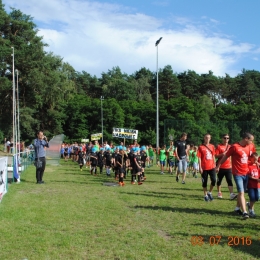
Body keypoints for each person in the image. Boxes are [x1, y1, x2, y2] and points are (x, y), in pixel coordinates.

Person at [216, 132, 255, 219]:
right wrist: (218, 165)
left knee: (242, 192)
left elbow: (253, 157)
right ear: (246, 139)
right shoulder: (234, 147)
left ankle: (237, 208)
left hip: (247, 173)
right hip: (238, 173)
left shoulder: (251, 146)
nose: (252, 142)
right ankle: (245, 212)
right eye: (251, 140)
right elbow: (225, 156)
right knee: (241, 192)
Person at [215, 134, 237, 200]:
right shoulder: (219, 146)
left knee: (229, 180)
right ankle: (219, 192)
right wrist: (222, 154)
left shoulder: (231, 147)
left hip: (229, 167)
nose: (226, 139)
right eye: (224, 138)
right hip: (221, 166)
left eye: (227, 138)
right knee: (219, 180)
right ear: (222, 138)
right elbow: (216, 156)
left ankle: (231, 194)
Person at [197, 134, 216, 202]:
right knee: (204, 182)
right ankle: (205, 195)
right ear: (204, 138)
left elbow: (213, 156)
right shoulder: (201, 147)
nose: (207, 139)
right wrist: (200, 167)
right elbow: (199, 157)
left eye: (208, 138)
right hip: (204, 167)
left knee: (214, 180)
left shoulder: (212, 146)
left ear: (210, 139)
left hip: (212, 166)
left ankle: (210, 192)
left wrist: (215, 164)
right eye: (206, 138)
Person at [247, 152, 260, 217]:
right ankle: (251, 210)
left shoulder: (258, 166)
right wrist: (256, 179)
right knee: (252, 197)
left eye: (256, 159)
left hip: (257, 185)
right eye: (254, 159)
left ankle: (249, 204)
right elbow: (248, 175)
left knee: (257, 197)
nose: (255, 161)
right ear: (251, 158)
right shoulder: (248, 165)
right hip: (251, 185)